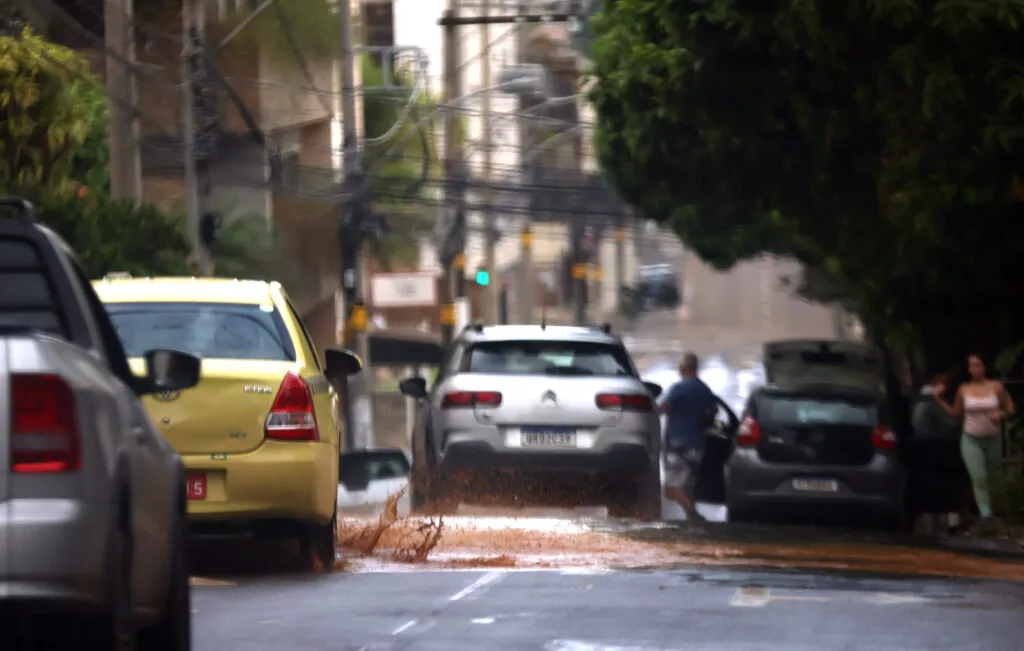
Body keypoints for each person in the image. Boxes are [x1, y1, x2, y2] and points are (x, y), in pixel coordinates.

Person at [934, 354, 1015, 529]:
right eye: (972, 366)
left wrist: (1000, 414)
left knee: (994, 477)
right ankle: (986, 515)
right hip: (971, 439)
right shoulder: (964, 389)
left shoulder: (996, 387)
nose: (976, 369)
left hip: (992, 438)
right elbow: (956, 413)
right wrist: (939, 399)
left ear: (984, 367)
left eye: (978, 365)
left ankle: (998, 511)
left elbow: (1010, 408)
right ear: (968, 369)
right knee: (979, 477)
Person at [657, 352, 718, 522]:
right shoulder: (705, 389)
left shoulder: (679, 388)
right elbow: (713, 412)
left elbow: (663, 408)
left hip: (678, 446)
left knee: (671, 488)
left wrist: (649, 405)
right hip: (698, 445)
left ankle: (693, 515)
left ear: (683, 368)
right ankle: (690, 519)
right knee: (688, 487)